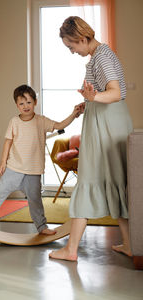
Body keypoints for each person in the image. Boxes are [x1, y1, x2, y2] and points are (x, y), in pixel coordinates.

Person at [49, 16, 133, 260]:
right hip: (109, 120)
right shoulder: (101, 54)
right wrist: (89, 102)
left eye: (71, 46)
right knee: (117, 181)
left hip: (105, 124)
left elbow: (115, 92)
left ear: (83, 38)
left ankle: (71, 250)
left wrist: (94, 98)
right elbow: (108, 93)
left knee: (88, 177)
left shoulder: (102, 57)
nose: (72, 51)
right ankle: (129, 243)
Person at [0, 84, 83, 235]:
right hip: (14, 167)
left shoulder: (41, 121)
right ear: (16, 105)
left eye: (29, 102)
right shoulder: (14, 122)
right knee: (0, 191)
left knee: (35, 199)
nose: (25, 106)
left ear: (35, 102)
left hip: (33, 170)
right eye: (21, 103)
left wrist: (73, 114)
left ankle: (42, 227)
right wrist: (3, 161)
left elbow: (60, 125)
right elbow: (7, 142)